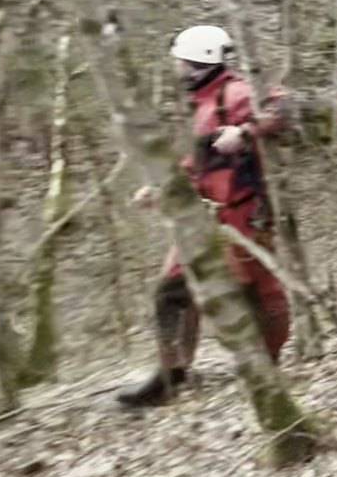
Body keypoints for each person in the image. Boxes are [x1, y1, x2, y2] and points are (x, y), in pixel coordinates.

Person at [118, 25, 289, 407]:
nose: (176, 69)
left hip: (244, 214)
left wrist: (245, 132)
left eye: (180, 62)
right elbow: (202, 164)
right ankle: (171, 373)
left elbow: (283, 107)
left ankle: (268, 365)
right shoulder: (203, 106)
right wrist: (164, 189)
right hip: (205, 215)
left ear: (198, 63)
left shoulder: (236, 93)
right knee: (172, 290)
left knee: (258, 293)